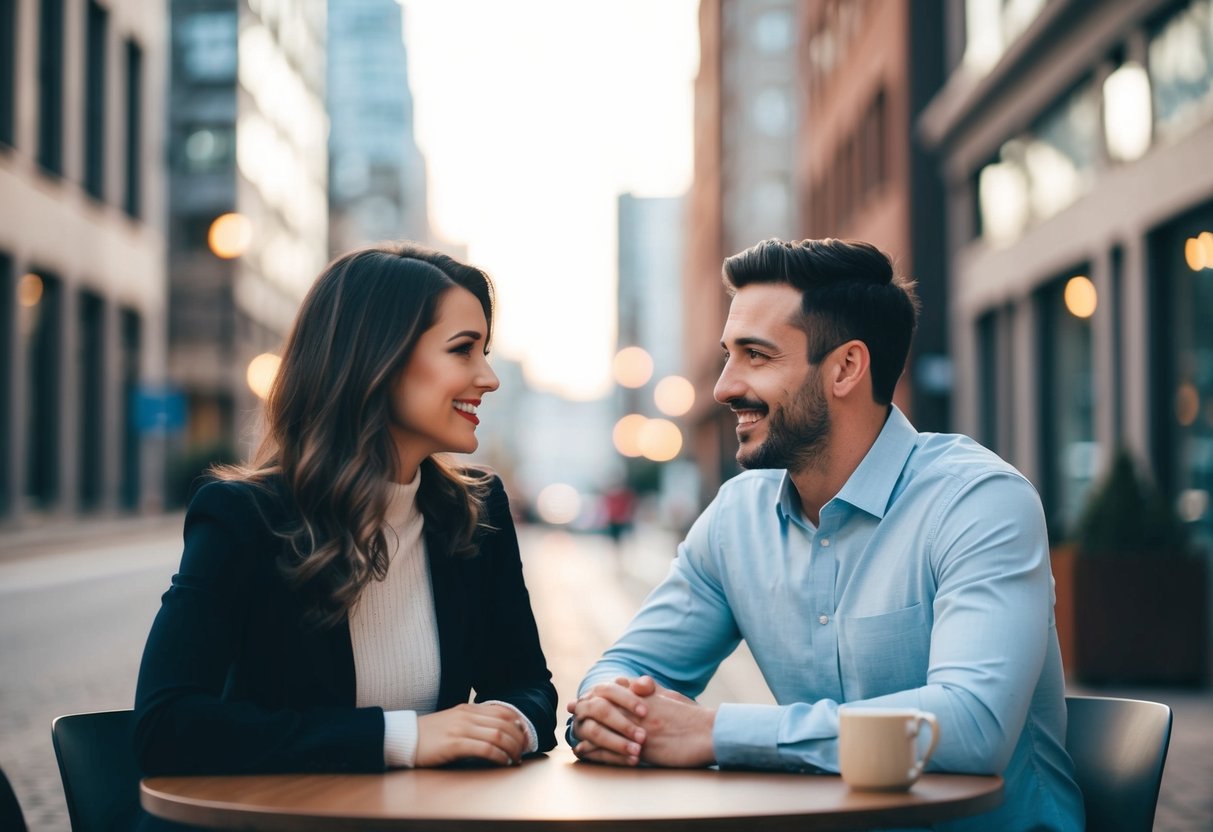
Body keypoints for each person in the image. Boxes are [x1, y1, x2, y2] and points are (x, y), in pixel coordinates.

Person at [567, 238, 1084, 830]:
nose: (724, 387)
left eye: (756, 356)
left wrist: (713, 732)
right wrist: (608, 708)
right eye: (727, 355)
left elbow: (972, 726)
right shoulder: (736, 517)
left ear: (845, 368)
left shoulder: (979, 503)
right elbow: (628, 666)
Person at [134, 244, 557, 792]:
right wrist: (403, 739)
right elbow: (166, 728)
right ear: (377, 360)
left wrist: (509, 728)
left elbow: (527, 684)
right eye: (463, 351)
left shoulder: (477, 510)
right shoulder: (245, 515)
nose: (489, 378)